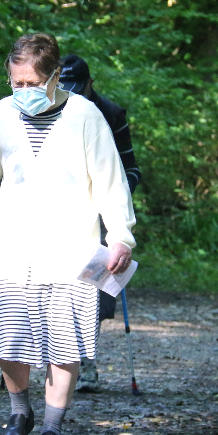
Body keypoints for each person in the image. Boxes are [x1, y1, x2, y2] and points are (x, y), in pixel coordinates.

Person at [0, 33, 135, 435]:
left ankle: (52, 427)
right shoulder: (3, 114)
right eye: (15, 83)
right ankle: (19, 414)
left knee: (66, 343)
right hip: (16, 249)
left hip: (71, 250)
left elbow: (111, 182)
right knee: (12, 340)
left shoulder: (86, 116)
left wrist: (120, 236)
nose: (21, 92)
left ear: (54, 77)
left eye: (30, 83)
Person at [58, 54, 142, 393]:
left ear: (90, 84)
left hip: (102, 214)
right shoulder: (49, 108)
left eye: (77, 88)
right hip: (56, 212)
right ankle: (30, 358)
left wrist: (113, 196)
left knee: (96, 290)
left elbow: (131, 169)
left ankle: (86, 364)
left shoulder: (111, 113)